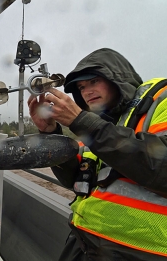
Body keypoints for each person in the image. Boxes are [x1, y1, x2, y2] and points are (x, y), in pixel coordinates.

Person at [28, 48, 167, 260]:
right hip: (84, 243)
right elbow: (74, 180)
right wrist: (50, 134)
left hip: (140, 252)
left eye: (94, 81)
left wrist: (82, 122)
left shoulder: (161, 99)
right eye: (82, 87)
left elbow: (161, 168)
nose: (86, 91)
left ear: (117, 79)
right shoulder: (98, 126)